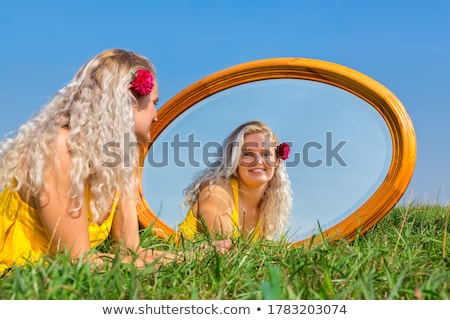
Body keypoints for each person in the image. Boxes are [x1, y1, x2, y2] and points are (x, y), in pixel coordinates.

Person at [0, 48, 177, 271]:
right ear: (130, 102)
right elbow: (78, 262)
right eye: (154, 102)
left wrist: (194, 255)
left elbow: (130, 250)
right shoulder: (59, 147)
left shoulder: (121, 158)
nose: (156, 114)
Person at [177, 120, 293, 242]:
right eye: (248, 154)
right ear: (234, 159)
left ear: (277, 161)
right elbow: (223, 243)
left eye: (265, 154)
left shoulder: (268, 206)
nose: (258, 161)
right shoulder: (216, 187)